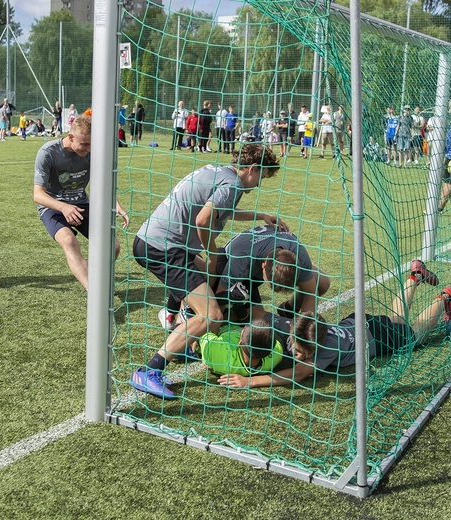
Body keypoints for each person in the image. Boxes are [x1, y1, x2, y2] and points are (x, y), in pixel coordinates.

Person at [130, 144, 286, 398]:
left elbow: (220, 210)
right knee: (211, 314)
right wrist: (211, 250)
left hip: (154, 240)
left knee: (214, 278)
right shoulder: (234, 184)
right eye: (262, 177)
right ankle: (150, 369)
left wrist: (260, 215)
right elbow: (203, 220)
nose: (259, 184)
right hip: (165, 247)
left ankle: (181, 330)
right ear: (253, 168)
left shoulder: (218, 171)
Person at [219, 260, 451, 388]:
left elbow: (296, 375)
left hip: (377, 337)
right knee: (397, 319)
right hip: (360, 324)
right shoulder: (299, 326)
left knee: (415, 334)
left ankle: (445, 297)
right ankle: (415, 276)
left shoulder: (326, 351)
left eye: (301, 352)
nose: (297, 354)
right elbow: (265, 319)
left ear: (314, 349)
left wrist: (249, 381)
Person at [33, 115, 129, 290]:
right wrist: (63, 207)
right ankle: (95, 293)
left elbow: (103, 185)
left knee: (113, 246)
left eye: (92, 144)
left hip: (82, 205)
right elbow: (38, 195)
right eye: (84, 144)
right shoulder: (48, 153)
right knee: (69, 242)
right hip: (54, 207)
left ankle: (98, 279)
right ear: (70, 137)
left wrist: (118, 207)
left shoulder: (93, 153)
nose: (89, 148)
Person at [215, 225, 330, 323]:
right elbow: (220, 297)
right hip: (227, 265)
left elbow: (311, 293)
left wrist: (303, 330)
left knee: (322, 283)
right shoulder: (240, 260)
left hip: (257, 259)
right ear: (263, 266)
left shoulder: (298, 253)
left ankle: (287, 310)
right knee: (256, 322)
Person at [196, 316, 284, 377]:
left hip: (220, 325)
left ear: (240, 342)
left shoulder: (220, 354)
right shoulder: (276, 355)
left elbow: (201, 332)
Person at [438, 98, 451, 212]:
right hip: (448, 156)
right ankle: (439, 208)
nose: (449, 110)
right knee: (448, 185)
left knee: (448, 185)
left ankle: (438, 208)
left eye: (450, 107)